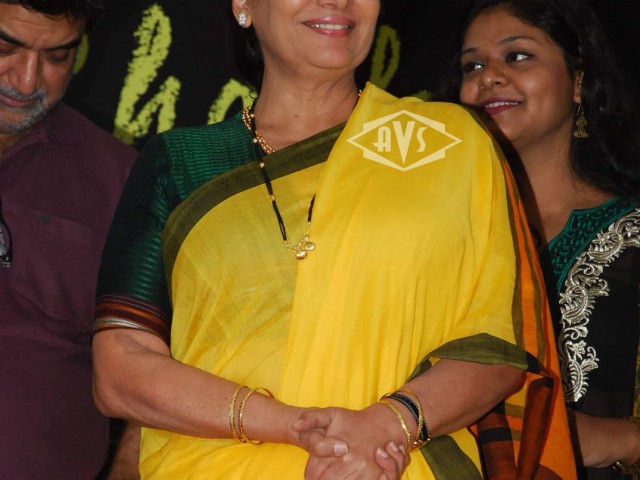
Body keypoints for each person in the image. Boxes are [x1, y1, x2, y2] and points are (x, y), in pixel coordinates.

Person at [91, 0, 576, 478]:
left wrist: (388, 425)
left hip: (396, 464)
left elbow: (494, 344)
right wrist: (295, 427)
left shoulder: (450, 143)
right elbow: (121, 368)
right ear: (243, 6)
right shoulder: (182, 163)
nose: (339, 1)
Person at [439, 0, 640, 477]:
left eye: (518, 56)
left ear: (578, 81)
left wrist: (618, 438)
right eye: (473, 66)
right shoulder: (434, 234)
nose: (489, 76)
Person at [0, 0, 137, 478]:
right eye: (5, 49)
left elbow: (161, 361)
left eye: (57, 57)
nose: (27, 81)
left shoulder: (118, 179)